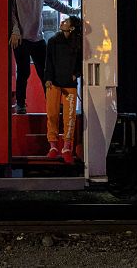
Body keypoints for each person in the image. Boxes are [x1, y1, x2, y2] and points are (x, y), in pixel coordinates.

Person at [10, 0, 79, 115]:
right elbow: (11, 12)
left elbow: (54, 3)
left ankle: (52, 103)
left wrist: (73, 11)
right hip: (21, 38)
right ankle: (21, 104)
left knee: (46, 72)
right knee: (24, 72)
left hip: (37, 37)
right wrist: (15, 31)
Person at [44, 15, 83, 164]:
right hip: (53, 83)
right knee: (52, 114)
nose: (62, 22)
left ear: (72, 27)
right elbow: (49, 62)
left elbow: (81, 62)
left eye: (66, 21)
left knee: (69, 117)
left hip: (69, 84)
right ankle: (53, 146)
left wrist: (76, 75)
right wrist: (47, 79)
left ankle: (67, 147)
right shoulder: (53, 41)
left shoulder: (77, 44)